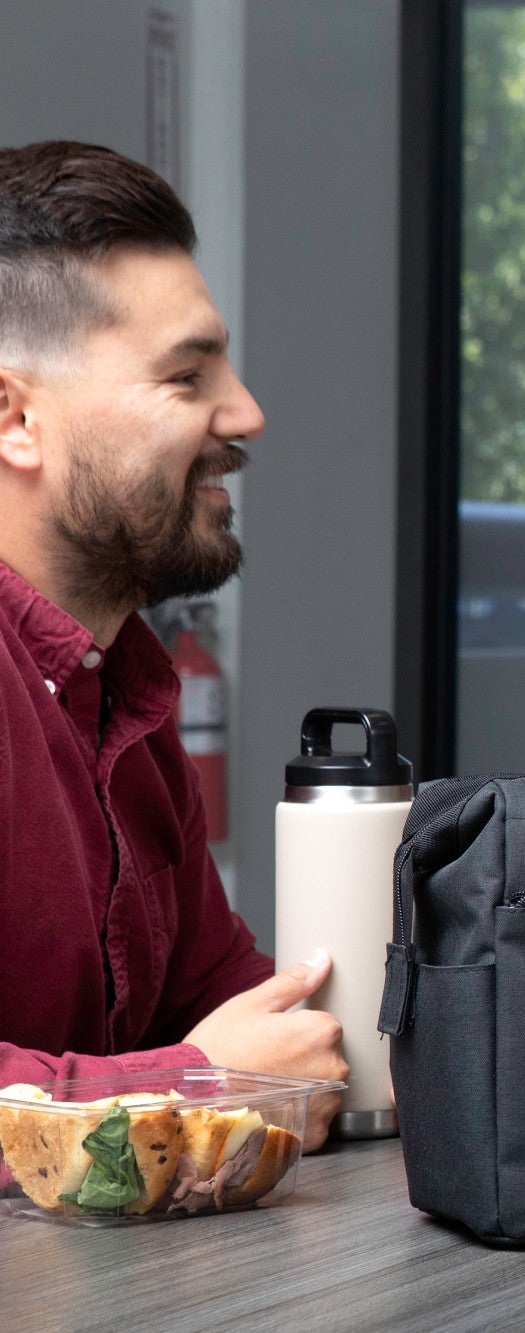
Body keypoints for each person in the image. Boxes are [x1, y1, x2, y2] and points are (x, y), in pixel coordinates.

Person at [0, 142, 345, 1147]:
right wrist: (202, 1084)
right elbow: (225, 1061)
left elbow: (241, 1013)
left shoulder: (125, 691)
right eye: (188, 375)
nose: (244, 413)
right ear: (15, 416)